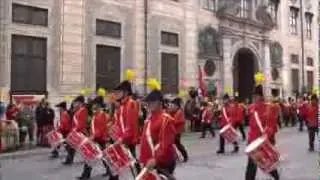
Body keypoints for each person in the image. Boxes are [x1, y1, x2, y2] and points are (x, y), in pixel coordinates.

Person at [140, 89, 177, 179]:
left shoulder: (166, 120)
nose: (149, 104)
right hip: (150, 161)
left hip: (162, 162)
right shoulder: (149, 119)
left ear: (160, 103)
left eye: (152, 102)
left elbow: (165, 144)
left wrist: (155, 160)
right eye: (148, 102)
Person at [245, 85, 280, 180]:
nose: (255, 98)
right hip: (254, 143)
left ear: (261, 96)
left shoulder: (269, 108)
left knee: (267, 162)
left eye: (256, 95)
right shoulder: (252, 108)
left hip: (263, 142)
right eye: (254, 96)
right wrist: (249, 142)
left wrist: (266, 136)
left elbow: (272, 125)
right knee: (252, 165)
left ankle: (276, 177)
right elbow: (252, 127)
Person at [77, 96, 114, 180]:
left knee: (104, 158)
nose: (93, 106)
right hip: (96, 139)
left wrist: (92, 137)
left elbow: (100, 130)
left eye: (95, 104)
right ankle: (85, 175)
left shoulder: (102, 115)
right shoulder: (96, 114)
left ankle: (110, 172)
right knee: (90, 157)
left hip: (101, 140)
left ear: (99, 105)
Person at [112, 80, 140, 177]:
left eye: (118, 92)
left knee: (133, 163)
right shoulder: (122, 106)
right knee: (118, 163)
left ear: (126, 93)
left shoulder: (131, 104)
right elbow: (120, 124)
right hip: (122, 139)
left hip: (128, 140)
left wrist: (122, 139)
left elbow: (130, 126)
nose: (116, 94)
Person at [63, 95, 88, 165]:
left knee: (84, 148)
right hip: (76, 131)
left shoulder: (83, 110)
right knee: (71, 146)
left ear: (80, 103)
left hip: (81, 132)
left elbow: (81, 123)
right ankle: (69, 159)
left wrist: (74, 130)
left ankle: (87, 159)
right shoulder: (78, 110)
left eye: (76, 102)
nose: (74, 104)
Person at [167, 97, 189, 162]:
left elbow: (178, 121)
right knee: (173, 144)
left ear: (177, 106)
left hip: (177, 132)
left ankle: (185, 156)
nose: (172, 107)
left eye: (173, 106)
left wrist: (171, 120)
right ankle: (175, 156)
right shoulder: (176, 111)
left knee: (177, 144)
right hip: (174, 131)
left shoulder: (179, 112)